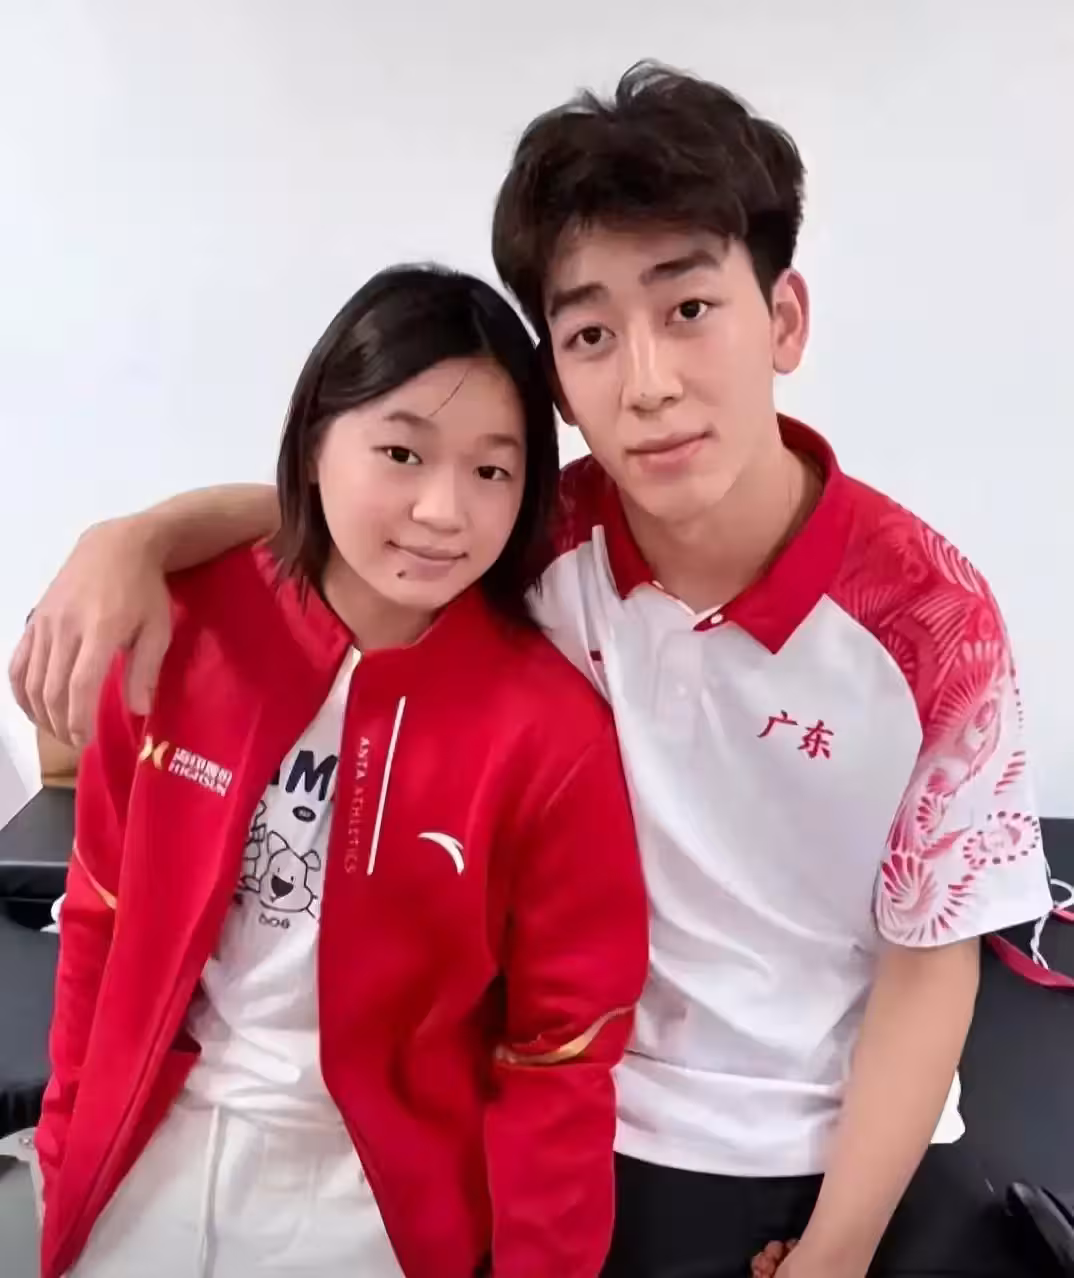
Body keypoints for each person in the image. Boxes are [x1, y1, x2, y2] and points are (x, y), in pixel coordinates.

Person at [13, 64, 1055, 1278]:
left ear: (784, 318)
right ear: (557, 375)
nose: (648, 382)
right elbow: (360, 519)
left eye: (689, 308)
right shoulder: (536, 541)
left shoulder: (932, 621)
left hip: (822, 1143)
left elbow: (933, 961)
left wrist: (836, 1252)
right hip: (563, 1116)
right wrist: (133, 540)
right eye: (592, 334)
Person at [27, 264, 650, 1278]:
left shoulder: (551, 734)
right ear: (316, 440)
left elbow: (562, 1054)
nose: (443, 510)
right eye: (402, 453)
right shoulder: (181, 627)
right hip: (145, 1161)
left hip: (372, 1208)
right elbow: (100, 913)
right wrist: (66, 1151)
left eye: (492, 472)